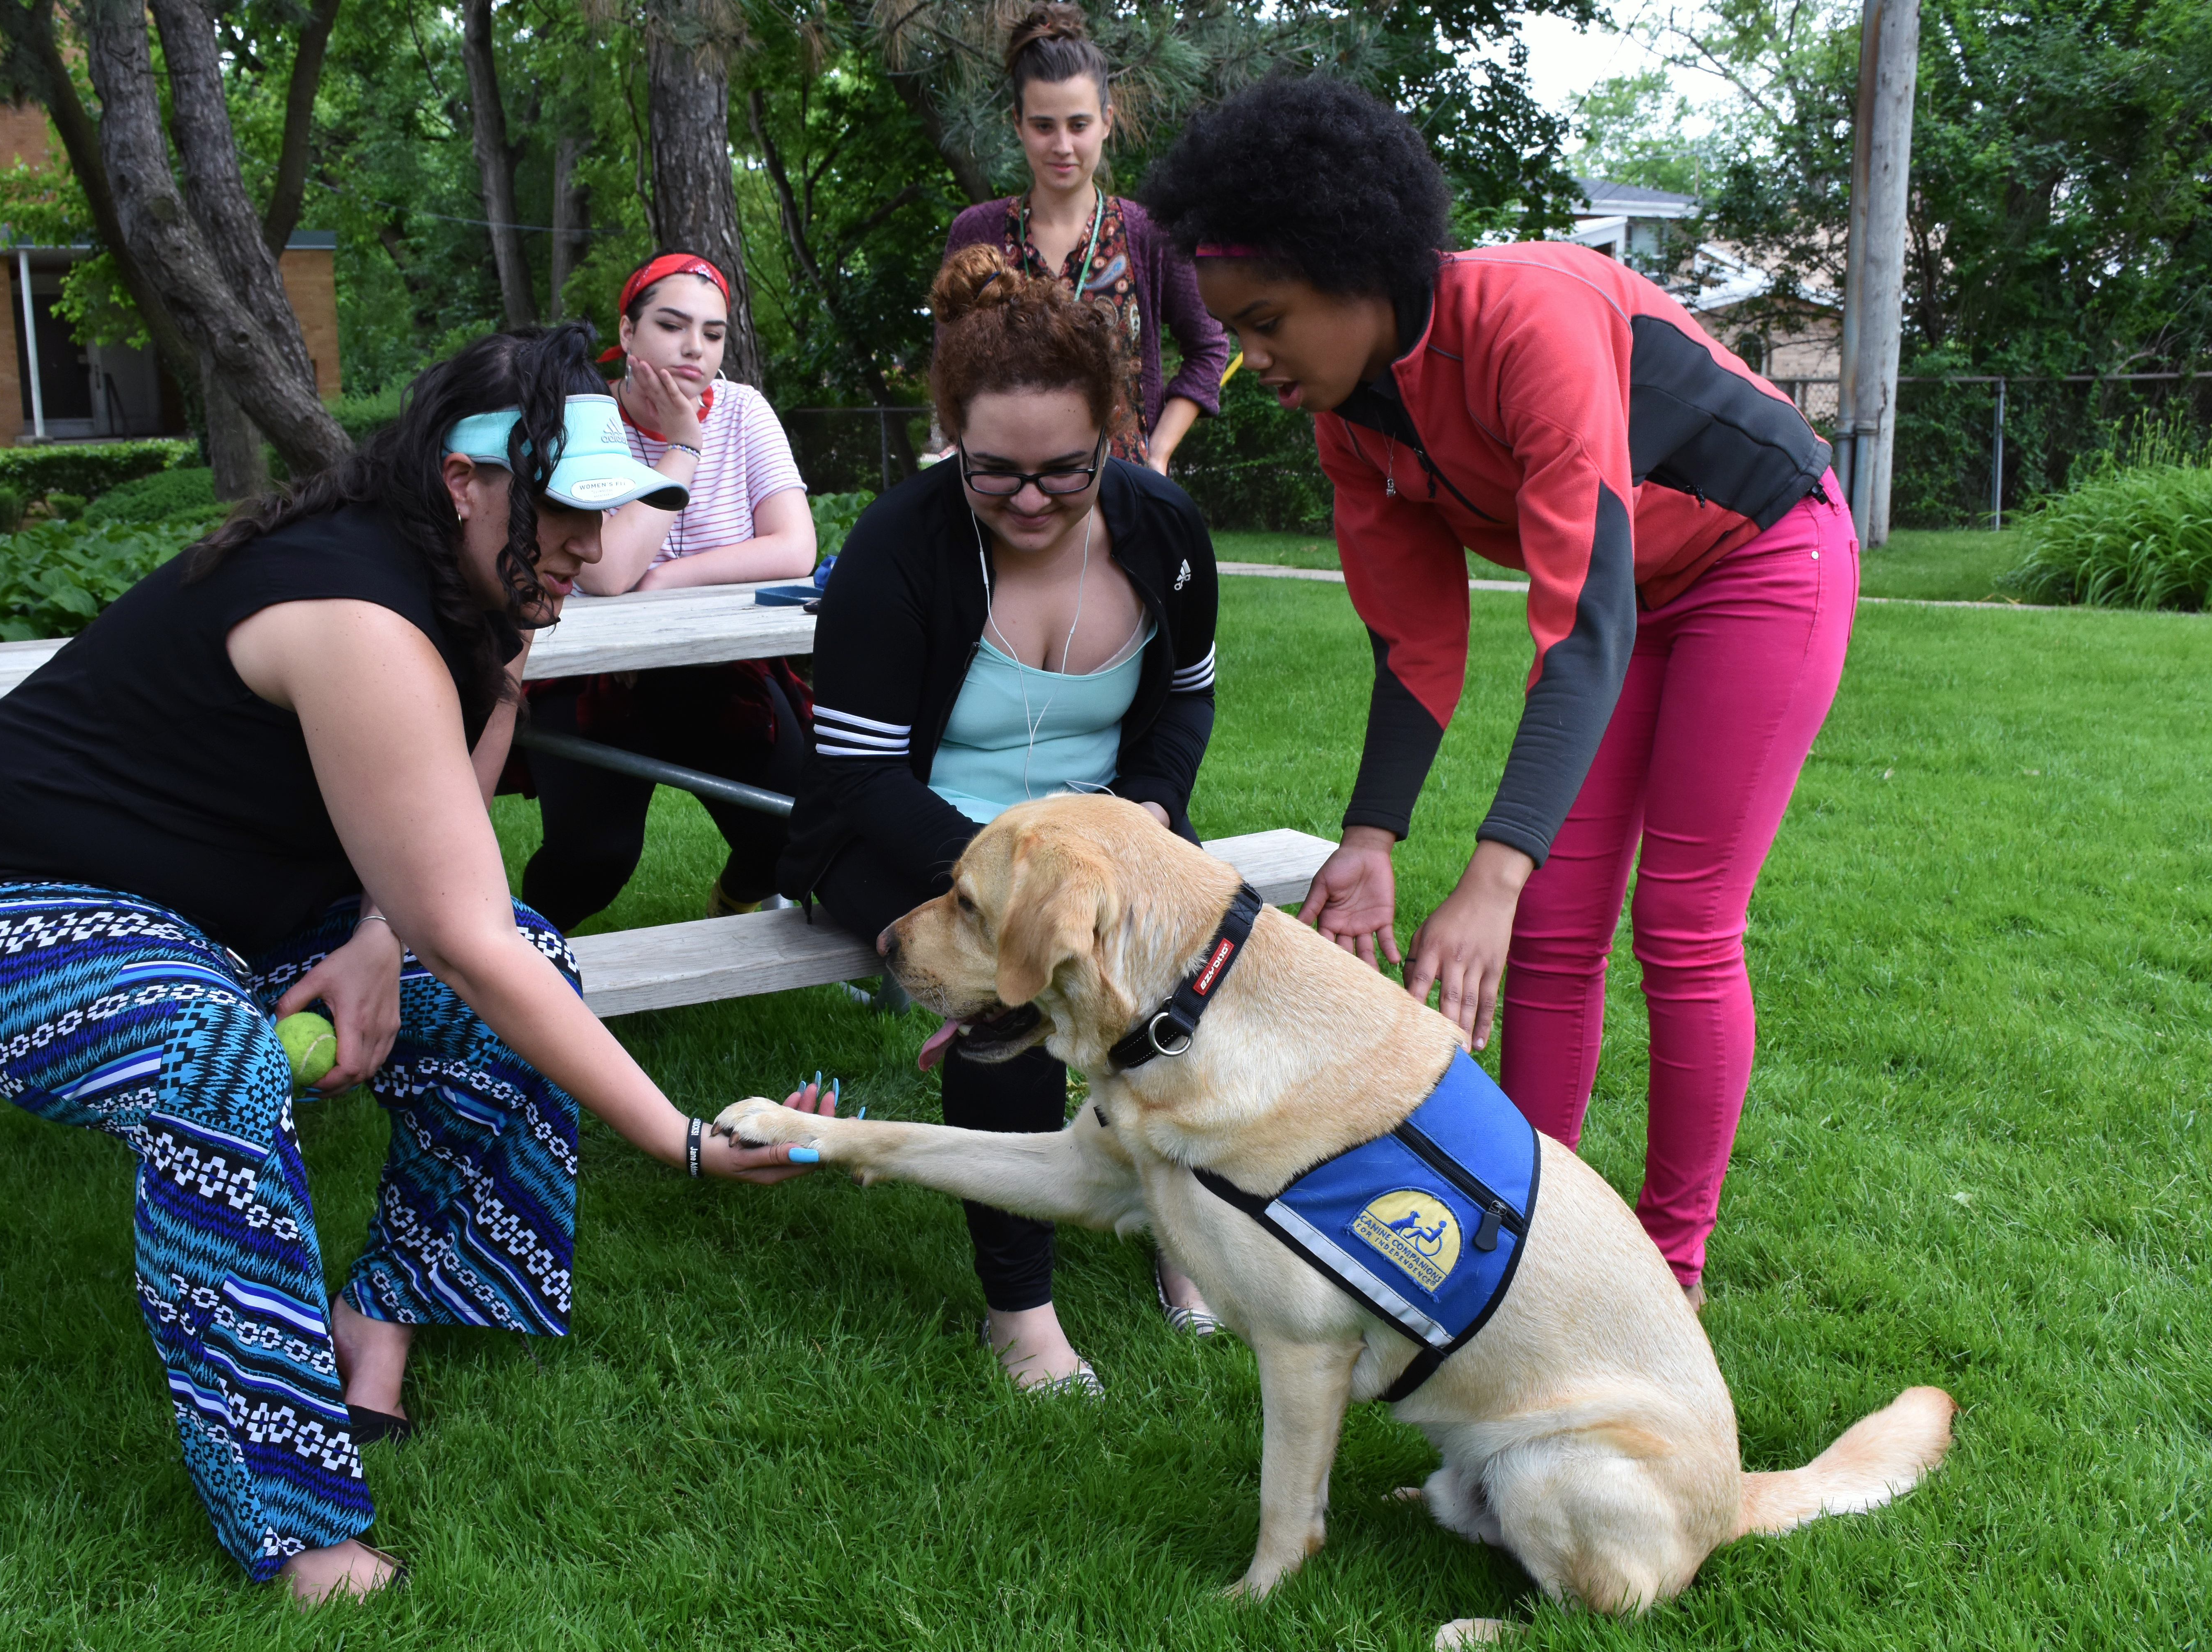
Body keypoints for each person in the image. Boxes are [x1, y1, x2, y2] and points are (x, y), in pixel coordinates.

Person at [0, 326, 831, 1601]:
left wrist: (380, 936)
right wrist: (682, 1139)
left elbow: (454, 849)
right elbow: (467, 926)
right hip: (11, 912)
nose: (590, 545)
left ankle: (379, 1316)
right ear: (464, 481)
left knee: (528, 965)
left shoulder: (481, 592)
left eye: (611, 511)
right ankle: (297, 1531)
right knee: (210, 1055)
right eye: (566, 508)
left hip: (246, 924)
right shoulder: (350, 604)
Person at [1138, 78, 1860, 1306]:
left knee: (1678, 926)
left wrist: (1492, 865)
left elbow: (1579, 623)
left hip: (1759, 559)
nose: (1247, 359)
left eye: (1267, 321)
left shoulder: (1530, 314)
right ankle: (1531, 1250)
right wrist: (1371, 834)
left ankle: (1665, 1269)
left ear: (1354, 268)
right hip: (1619, 605)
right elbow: (1413, 643)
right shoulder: (1349, 422)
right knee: (1555, 934)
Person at [778, 245, 1223, 1393]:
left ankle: (1185, 1239)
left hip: (1103, 841)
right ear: (951, 440)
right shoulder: (896, 548)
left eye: (1064, 472)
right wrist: (1015, 894)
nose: (1030, 500)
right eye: (995, 474)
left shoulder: (1166, 533)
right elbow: (863, 774)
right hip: (901, 834)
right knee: (998, 1011)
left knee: (1195, 993)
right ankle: (1020, 1312)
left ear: (1116, 430)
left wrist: (1152, 823)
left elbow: (1185, 697)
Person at [517, 251, 816, 930]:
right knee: (593, 858)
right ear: (627, 334)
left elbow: (796, 548)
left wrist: (667, 578)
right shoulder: (583, 414)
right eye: (672, 325)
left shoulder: (743, 411)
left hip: (717, 667)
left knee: (799, 828)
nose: (694, 348)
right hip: (594, 676)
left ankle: (740, 899)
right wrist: (683, 446)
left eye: (712, 334)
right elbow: (605, 572)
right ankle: (515, 958)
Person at [940, 4, 1226, 474]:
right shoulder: (977, 232)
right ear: (1017, 124)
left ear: (1107, 121)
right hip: (1011, 493)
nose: (1063, 146)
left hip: (1123, 491)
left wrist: (1158, 452)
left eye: (1079, 125)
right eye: (1043, 126)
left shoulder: (1147, 233)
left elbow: (1209, 347)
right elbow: (949, 367)